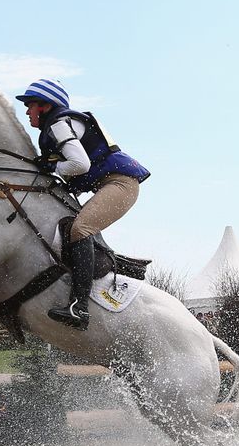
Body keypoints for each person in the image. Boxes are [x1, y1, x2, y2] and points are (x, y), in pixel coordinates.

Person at [15, 79, 150, 330]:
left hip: (120, 185)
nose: (27, 111)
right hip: (111, 184)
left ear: (45, 106)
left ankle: (79, 306)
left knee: (80, 229)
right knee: (73, 228)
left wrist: (53, 167)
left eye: (30, 105)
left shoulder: (59, 124)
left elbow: (80, 165)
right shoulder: (58, 126)